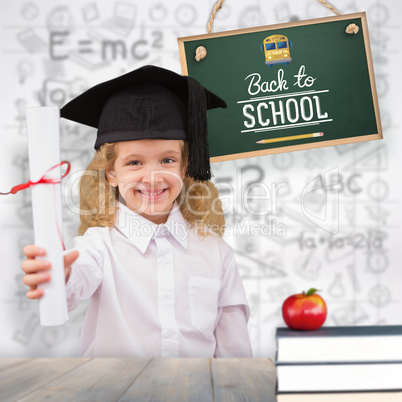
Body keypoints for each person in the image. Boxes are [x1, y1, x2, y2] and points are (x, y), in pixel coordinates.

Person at [21, 65, 252, 358]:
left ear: (185, 166)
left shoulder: (216, 253)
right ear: (111, 174)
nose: (153, 176)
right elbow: (76, 281)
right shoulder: (99, 246)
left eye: (167, 160)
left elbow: (235, 354)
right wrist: (59, 275)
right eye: (134, 163)